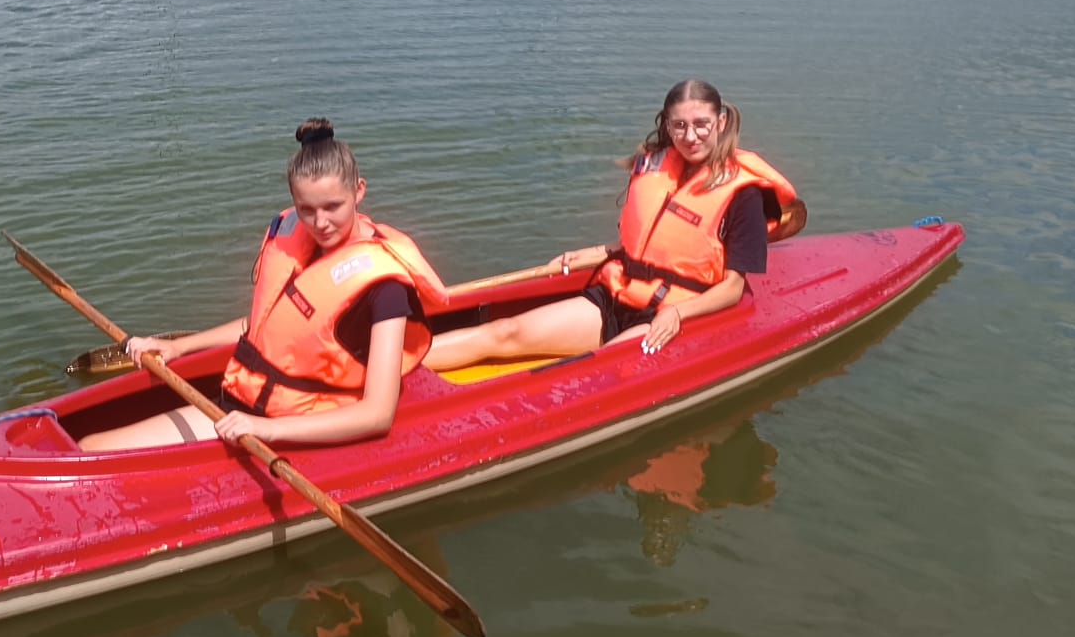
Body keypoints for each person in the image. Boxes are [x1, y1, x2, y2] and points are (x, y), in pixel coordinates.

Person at [79, 120, 449, 452]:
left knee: (94, 449)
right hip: (244, 405)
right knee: (89, 445)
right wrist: (177, 347)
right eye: (306, 209)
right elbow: (263, 326)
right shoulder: (301, 246)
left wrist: (266, 430)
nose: (320, 223)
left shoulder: (385, 287)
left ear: (359, 191)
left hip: (300, 422)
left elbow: (377, 415)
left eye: (333, 206)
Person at [423, 80, 806, 371]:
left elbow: (733, 288)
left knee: (598, 369)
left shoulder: (744, 195)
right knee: (504, 333)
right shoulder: (657, 167)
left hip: (673, 315)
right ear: (667, 125)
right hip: (616, 297)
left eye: (702, 125)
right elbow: (656, 245)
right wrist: (599, 252)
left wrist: (677, 314)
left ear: (721, 122)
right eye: (679, 126)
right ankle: (395, 372)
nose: (690, 137)